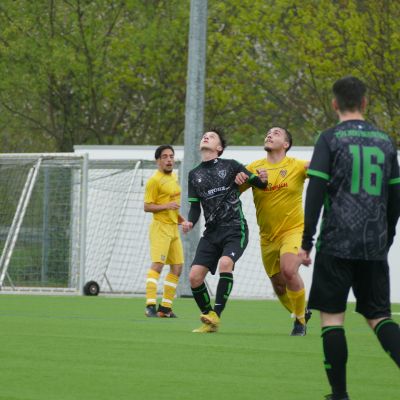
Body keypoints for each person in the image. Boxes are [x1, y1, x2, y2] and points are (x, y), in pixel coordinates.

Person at [299, 76, 400, 400]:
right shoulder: (386, 142)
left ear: (334, 104)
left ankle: (339, 394)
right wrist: (387, 237)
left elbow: (315, 192)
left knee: (332, 319)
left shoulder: (329, 139)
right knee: (379, 317)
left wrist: (306, 242)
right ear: (365, 102)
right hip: (373, 244)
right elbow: (395, 198)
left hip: (336, 242)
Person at [181, 129, 268, 333]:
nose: (206, 137)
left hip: (235, 229)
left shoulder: (231, 165)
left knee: (225, 263)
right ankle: (209, 318)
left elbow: (260, 184)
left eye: (211, 136)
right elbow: (195, 208)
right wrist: (190, 222)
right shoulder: (194, 174)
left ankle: (216, 315)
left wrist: (260, 179)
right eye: (204, 135)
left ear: (219, 147)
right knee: (194, 277)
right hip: (211, 234)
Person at [235, 127, 311, 336]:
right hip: (267, 237)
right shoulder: (254, 167)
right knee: (278, 286)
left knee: (289, 270)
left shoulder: (297, 165)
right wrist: (238, 180)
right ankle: (301, 311)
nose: (269, 134)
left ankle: (300, 322)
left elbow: (320, 170)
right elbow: (234, 191)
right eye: (268, 132)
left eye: (276, 133)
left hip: (293, 230)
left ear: (286, 144)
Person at [143, 144, 186, 318]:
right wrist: (166, 206)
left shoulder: (174, 177)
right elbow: (147, 206)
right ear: (158, 161)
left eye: (171, 156)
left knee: (177, 267)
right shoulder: (154, 181)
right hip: (160, 228)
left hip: (173, 228)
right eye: (165, 157)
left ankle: (165, 308)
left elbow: (172, 207)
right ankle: (150, 305)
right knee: (158, 265)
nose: (169, 160)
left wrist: (183, 221)